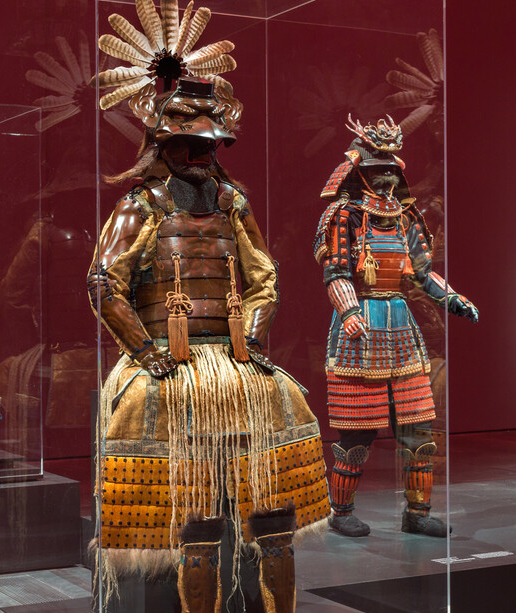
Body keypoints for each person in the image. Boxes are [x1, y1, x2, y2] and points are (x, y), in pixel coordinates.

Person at [88, 4, 328, 610]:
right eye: (190, 145)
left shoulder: (233, 204)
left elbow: (264, 277)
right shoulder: (139, 208)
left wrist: (249, 336)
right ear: (164, 145)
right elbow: (103, 283)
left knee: (288, 412)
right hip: (167, 361)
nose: (202, 156)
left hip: (233, 358)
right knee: (180, 486)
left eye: (209, 145)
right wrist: (144, 352)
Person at [313, 116, 478, 538]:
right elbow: (336, 272)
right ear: (359, 170)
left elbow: (423, 271)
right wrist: (350, 312)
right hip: (361, 326)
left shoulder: (407, 216)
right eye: (376, 169)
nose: (385, 177)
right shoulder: (342, 215)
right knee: (357, 432)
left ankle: (416, 513)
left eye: (390, 169)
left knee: (418, 430)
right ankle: (341, 510)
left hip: (401, 326)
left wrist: (453, 298)